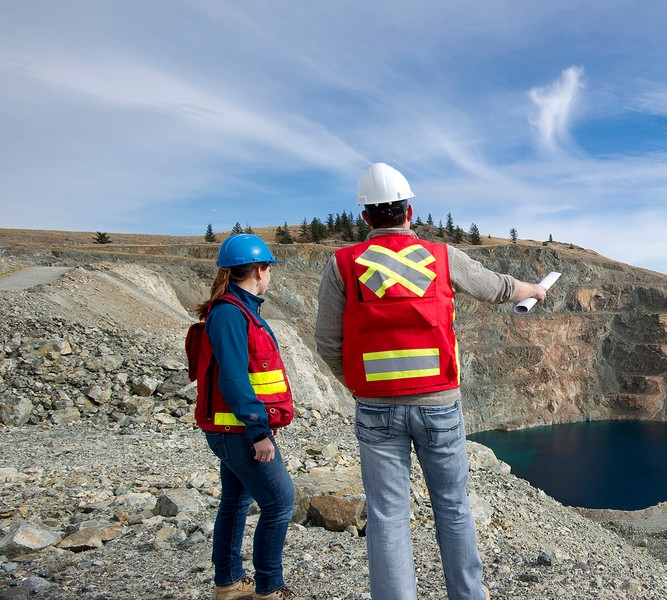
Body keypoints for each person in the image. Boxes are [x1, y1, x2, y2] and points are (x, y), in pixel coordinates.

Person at [315, 163, 547, 600]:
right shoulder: (440, 257)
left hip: (376, 406)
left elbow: (327, 339)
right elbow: (495, 288)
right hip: (439, 404)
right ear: (410, 210)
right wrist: (533, 289)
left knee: (387, 515)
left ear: (365, 217)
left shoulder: (343, 264)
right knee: (453, 507)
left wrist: (359, 386)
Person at [194, 234, 300, 600]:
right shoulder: (229, 313)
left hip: (233, 427)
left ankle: (229, 582)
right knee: (280, 501)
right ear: (259, 269)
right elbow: (235, 378)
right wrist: (258, 431)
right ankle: (269, 589)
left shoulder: (238, 309)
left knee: (236, 501)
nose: (270, 275)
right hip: (238, 430)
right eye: (268, 268)